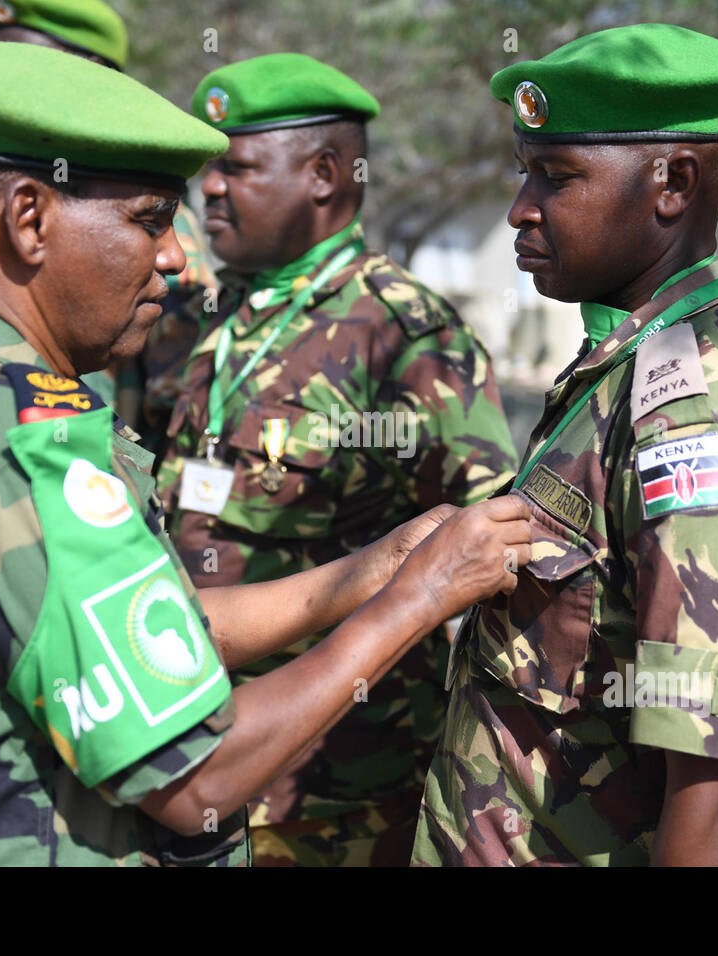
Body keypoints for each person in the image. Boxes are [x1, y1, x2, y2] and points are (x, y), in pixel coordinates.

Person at [0, 40, 531, 867]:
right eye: (149, 220)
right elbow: (200, 782)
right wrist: (415, 598)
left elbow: (146, 631)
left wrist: (372, 570)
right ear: (28, 220)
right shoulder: (24, 448)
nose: (176, 255)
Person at [412, 23, 718, 867]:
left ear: (673, 184)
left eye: (556, 176)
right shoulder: (630, 366)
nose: (520, 207)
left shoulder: (698, 423)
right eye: (526, 170)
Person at [153, 53, 519, 866]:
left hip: (338, 789)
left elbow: (490, 544)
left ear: (324, 174)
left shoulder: (407, 336)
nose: (209, 188)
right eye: (208, 170)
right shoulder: (210, 317)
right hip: (193, 747)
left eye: (237, 167)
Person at [0, 0, 220, 423]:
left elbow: (171, 402)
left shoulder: (157, 232)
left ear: (97, 77)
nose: (4, 90)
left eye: (34, 72)